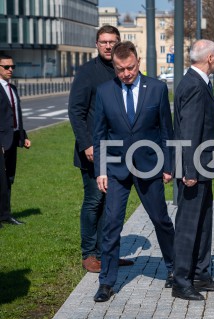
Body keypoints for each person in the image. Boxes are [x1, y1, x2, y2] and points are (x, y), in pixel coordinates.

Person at [92, 41, 175, 302]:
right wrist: (101, 170)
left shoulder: (158, 89)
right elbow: (100, 135)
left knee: (161, 220)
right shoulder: (105, 92)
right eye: (120, 69)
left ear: (138, 62)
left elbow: (166, 131)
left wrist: (169, 165)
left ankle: (174, 269)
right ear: (114, 67)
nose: (126, 74)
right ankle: (106, 281)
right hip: (116, 169)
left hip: (149, 166)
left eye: (129, 68)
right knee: (112, 225)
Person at [68, 25, 134, 273]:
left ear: (119, 43)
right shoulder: (87, 72)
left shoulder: (123, 70)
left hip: (118, 150)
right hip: (93, 150)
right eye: (104, 42)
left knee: (112, 202)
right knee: (94, 200)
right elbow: (76, 111)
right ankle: (90, 254)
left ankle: (108, 252)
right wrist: (86, 144)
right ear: (96, 44)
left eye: (112, 41)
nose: (108, 46)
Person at [172, 39, 214, 301]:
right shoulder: (194, 85)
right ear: (211, 58)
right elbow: (190, 131)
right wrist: (190, 170)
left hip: (203, 168)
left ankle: (201, 274)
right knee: (188, 225)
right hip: (195, 169)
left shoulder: (196, 82)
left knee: (203, 222)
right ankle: (181, 280)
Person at [0, 54, 30, 227]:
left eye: (12, 67)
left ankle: (5, 215)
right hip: (1, 141)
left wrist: (23, 136)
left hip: (12, 139)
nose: (10, 70)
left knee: (9, 178)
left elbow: (15, 115)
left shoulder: (12, 88)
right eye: (6, 67)